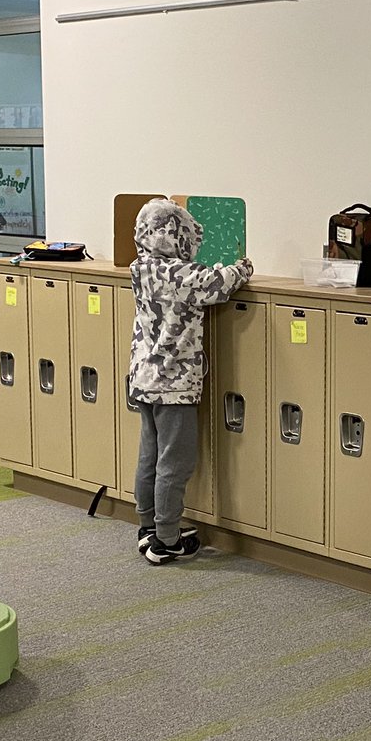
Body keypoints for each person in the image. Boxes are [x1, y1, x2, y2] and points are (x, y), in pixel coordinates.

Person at [130, 198, 254, 565]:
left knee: (149, 457)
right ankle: (166, 539)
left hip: (144, 377)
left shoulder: (141, 268)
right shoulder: (179, 275)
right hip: (174, 384)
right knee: (176, 461)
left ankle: (147, 526)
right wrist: (243, 267)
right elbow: (218, 284)